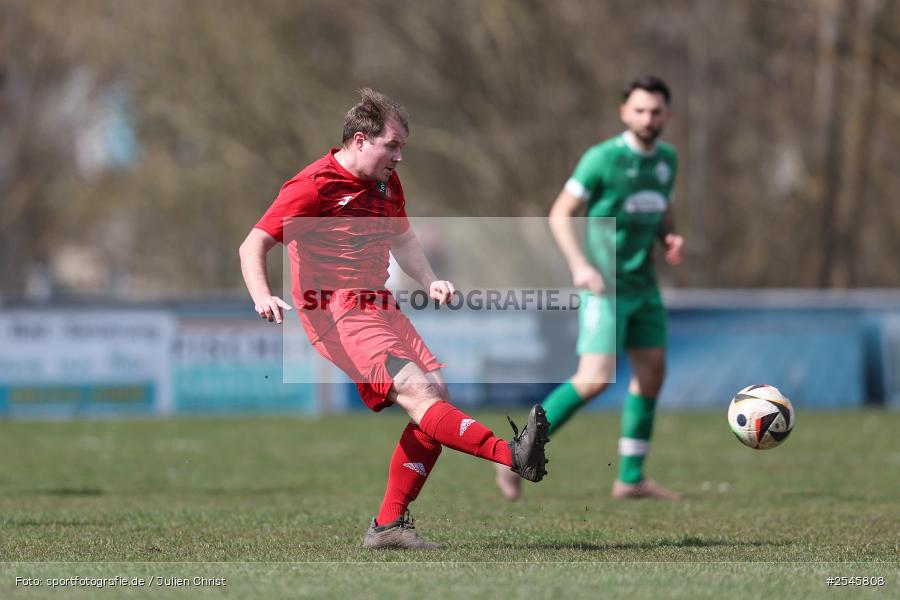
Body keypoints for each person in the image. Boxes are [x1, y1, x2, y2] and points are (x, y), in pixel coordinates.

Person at [239, 88, 550, 550]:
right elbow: (253, 244)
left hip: (378, 303)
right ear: (359, 140)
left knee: (437, 400)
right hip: (335, 311)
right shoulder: (313, 186)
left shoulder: (387, 184)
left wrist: (430, 281)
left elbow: (403, 240)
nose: (400, 157)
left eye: (402, 147)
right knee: (419, 394)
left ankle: (388, 526)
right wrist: (262, 295)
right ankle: (510, 455)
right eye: (392, 145)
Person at [495, 76, 683, 501]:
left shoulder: (667, 160)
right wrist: (579, 265)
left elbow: (662, 208)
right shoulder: (602, 159)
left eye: (655, 112)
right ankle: (512, 456)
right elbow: (560, 214)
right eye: (639, 110)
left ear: (667, 115)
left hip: (644, 286)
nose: (647, 119)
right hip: (605, 286)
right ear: (624, 113)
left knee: (653, 373)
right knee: (595, 379)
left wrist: (669, 237)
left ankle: (630, 478)